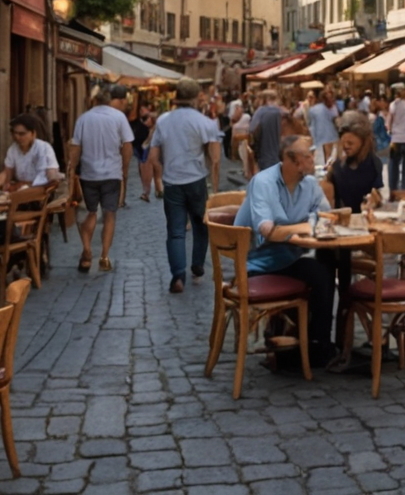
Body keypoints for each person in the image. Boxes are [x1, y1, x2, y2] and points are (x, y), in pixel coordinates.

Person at [234, 135, 335, 368]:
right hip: (256, 264)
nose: (314, 159)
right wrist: (306, 225)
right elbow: (268, 230)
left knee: (323, 273)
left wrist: (312, 221)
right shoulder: (264, 183)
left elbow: (326, 217)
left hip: (287, 258)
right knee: (318, 274)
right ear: (292, 161)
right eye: (308, 156)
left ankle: (316, 344)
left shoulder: (309, 183)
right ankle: (294, 350)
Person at [149, 78, 222, 294]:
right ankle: (198, 264)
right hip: (196, 179)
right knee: (201, 225)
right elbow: (216, 157)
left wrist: (162, 174)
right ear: (196, 97)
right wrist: (214, 184)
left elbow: (153, 156)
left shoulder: (163, 120)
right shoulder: (205, 122)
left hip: (172, 181)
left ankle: (178, 276)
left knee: (176, 231)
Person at [69, 83, 136, 273]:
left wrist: (71, 170)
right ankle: (104, 257)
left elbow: (75, 148)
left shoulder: (83, 119)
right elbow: (127, 145)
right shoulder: (118, 117)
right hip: (112, 174)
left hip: (89, 174)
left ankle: (87, 250)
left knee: (90, 213)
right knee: (109, 214)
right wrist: (124, 170)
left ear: (94, 101)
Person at [327, 111, 385, 212]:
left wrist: (374, 200)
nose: (346, 146)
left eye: (350, 143)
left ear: (363, 142)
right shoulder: (337, 167)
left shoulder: (374, 164)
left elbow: (377, 194)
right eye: (343, 142)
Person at [0, 112, 61, 194]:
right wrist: (5, 183)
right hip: (20, 189)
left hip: (41, 190)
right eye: (15, 133)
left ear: (33, 134)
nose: (17, 137)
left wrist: (25, 185)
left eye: (22, 134)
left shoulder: (44, 148)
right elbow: (8, 172)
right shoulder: (13, 149)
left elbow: (49, 176)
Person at [249, 88, 287, 175]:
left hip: (264, 153)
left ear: (265, 99)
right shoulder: (282, 112)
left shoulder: (261, 111)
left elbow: (252, 129)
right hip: (279, 153)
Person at [128, 101, 156, 203]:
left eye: (143, 109)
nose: (141, 111)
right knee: (143, 168)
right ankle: (147, 191)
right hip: (139, 146)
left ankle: (147, 192)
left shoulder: (150, 120)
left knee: (146, 168)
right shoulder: (135, 121)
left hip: (145, 147)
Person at [306, 93, 338, 168]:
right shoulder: (314, 109)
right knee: (325, 157)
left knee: (328, 157)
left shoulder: (333, 108)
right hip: (322, 137)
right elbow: (312, 124)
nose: (331, 100)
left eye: (331, 98)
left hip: (329, 136)